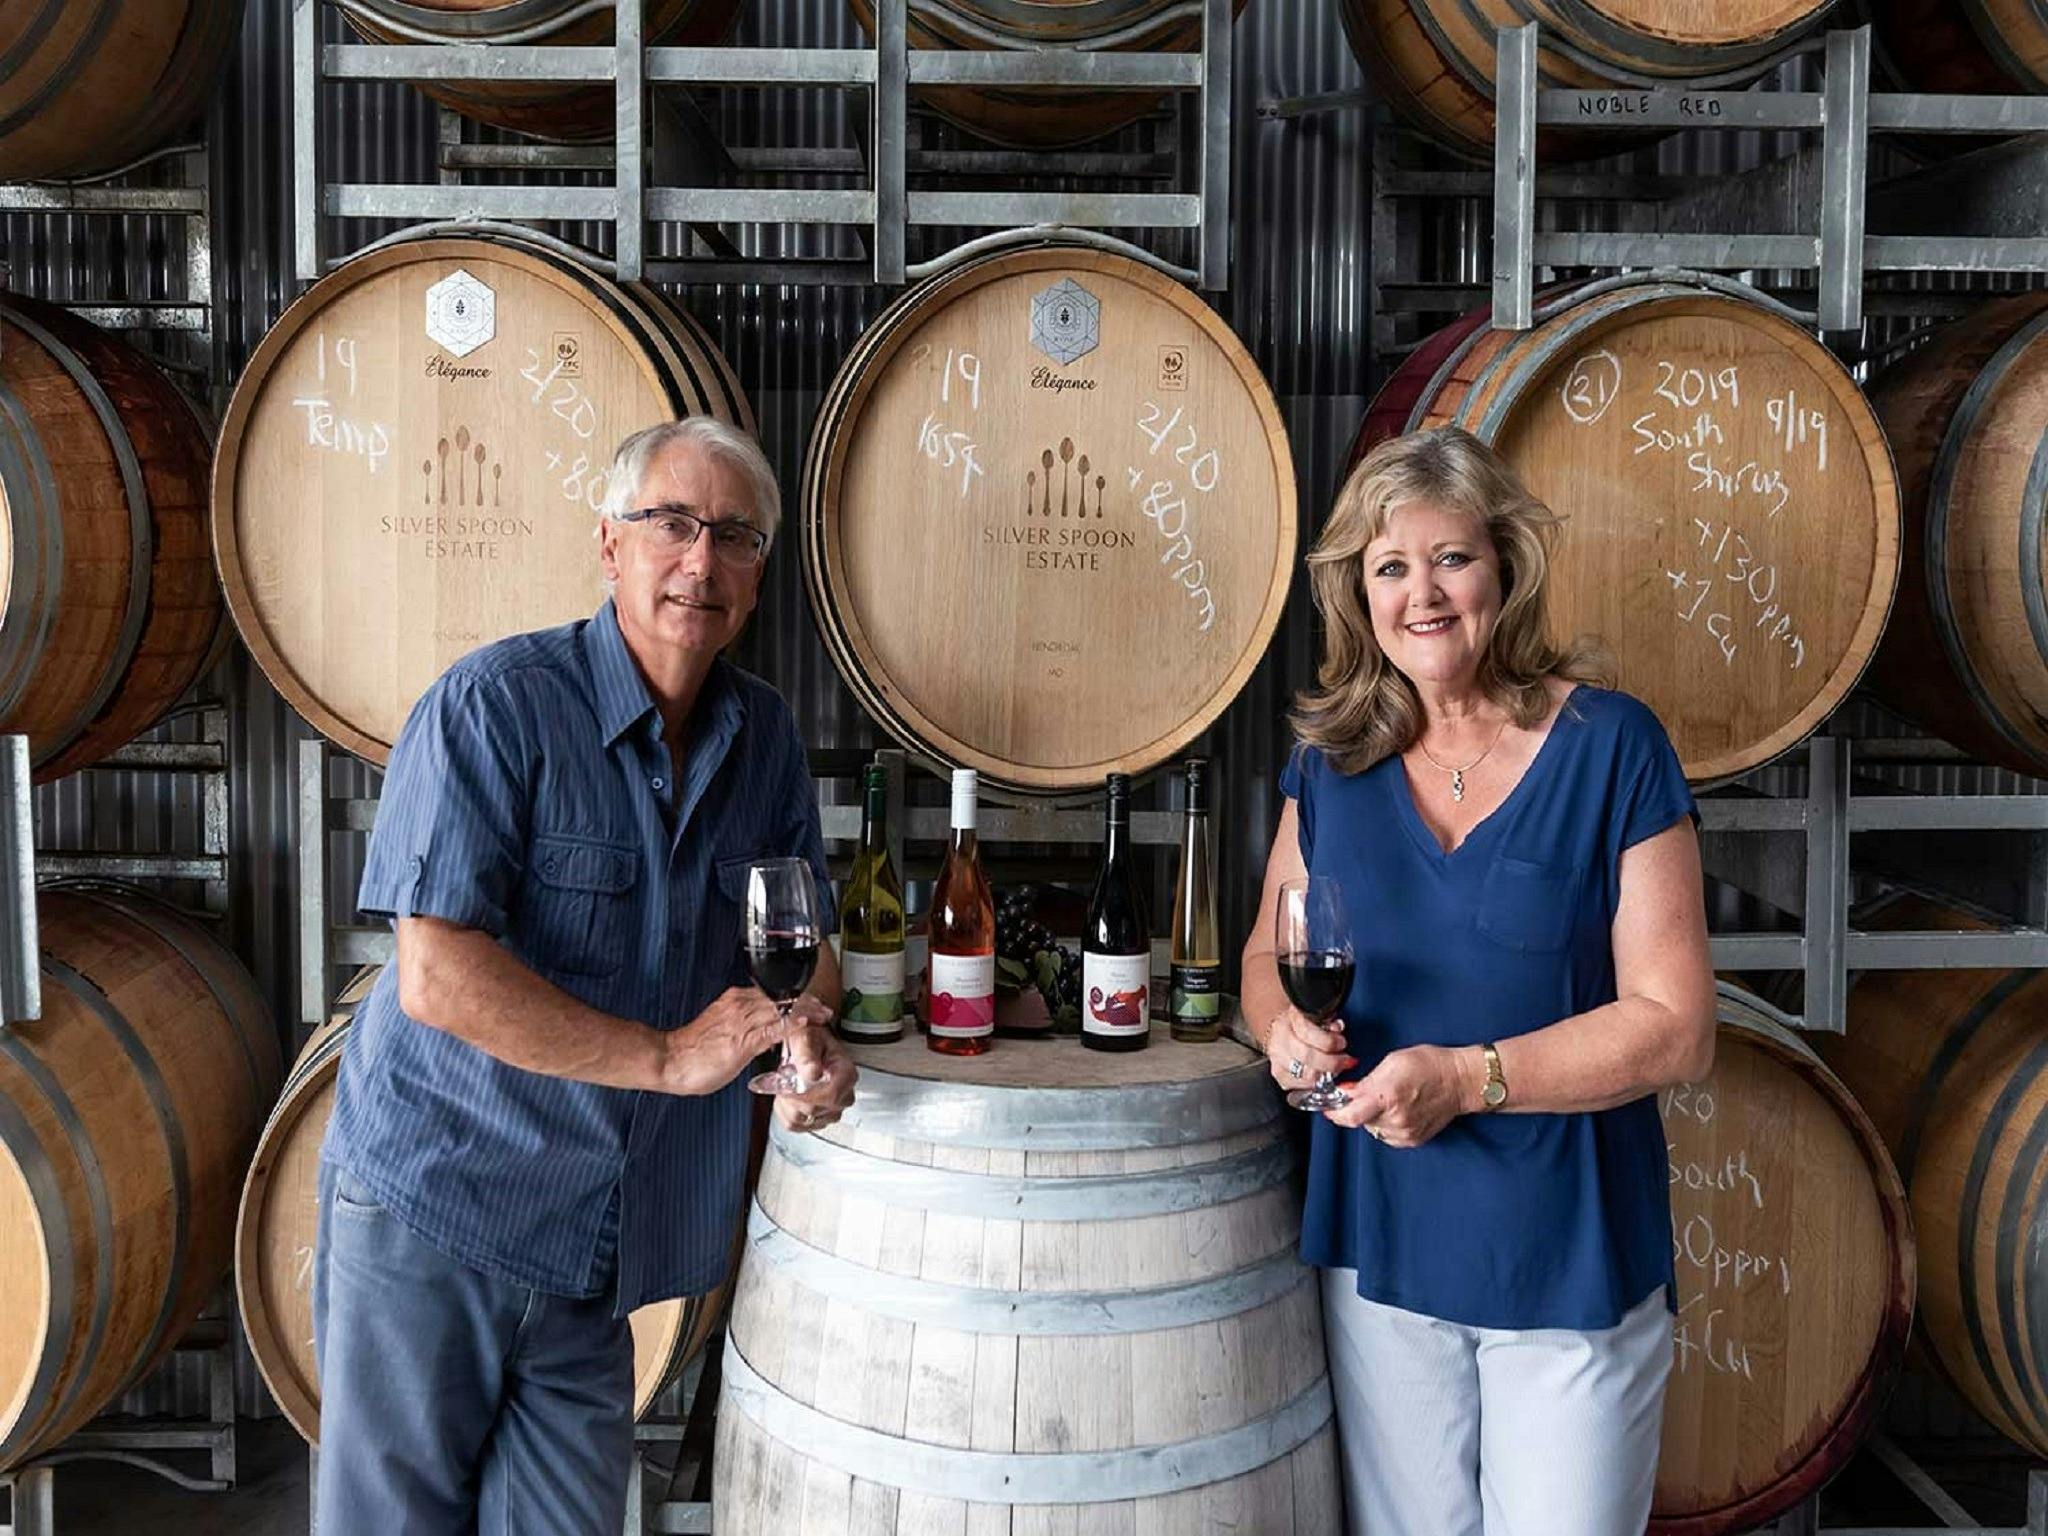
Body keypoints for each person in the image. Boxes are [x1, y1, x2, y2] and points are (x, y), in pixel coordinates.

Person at [312, 416, 856, 1535]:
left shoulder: (762, 737)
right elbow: (436, 977)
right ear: (609, 545)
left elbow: (811, 946)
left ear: (757, 574)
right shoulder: (494, 707)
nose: (700, 560)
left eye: (735, 536)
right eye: (671, 525)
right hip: (441, 1208)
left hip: (591, 1242)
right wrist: (666, 1057)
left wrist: (805, 1035)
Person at [1241, 426, 1715, 1535]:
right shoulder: (1333, 762)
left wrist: (1464, 1078)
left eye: (1450, 558)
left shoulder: (1612, 748)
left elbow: (1674, 1027)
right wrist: (1279, 1035)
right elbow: (1269, 955)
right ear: (1356, 594)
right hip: (1382, 1249)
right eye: (1388, 567)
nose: (1423, 594)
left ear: (1504, 566)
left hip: (1567, 1259)